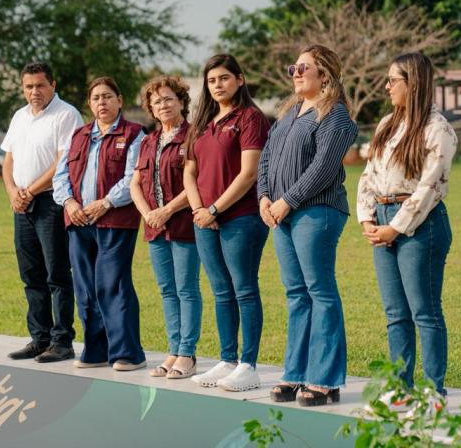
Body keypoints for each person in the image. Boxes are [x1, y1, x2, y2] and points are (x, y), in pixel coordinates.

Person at [257, 45, 357, 407]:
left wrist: (287, 200)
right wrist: (264, 197)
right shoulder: (289, 113)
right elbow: (266, 158)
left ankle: (325, 379)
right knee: (296, 293)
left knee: (320, 292)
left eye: (304, 67)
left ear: (325, 74)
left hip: (316, 212)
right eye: (293, 68)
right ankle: (296, 372)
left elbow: (324, 167)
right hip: (281, 213)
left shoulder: (335, 115)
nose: (296, 73)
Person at [356, 52, 457, 407]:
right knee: (395, 313)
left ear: (412, 83)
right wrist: (368, 219)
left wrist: (395, 228)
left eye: (392, 80)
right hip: (382, 219)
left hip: (420, 224)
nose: (386, 87)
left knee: (424, 312)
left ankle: (433, 392)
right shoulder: (386, 124)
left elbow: (430, 188)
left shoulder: (438, 130)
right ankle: (400, 387)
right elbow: (368, 176)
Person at [184, 53, 270, 392]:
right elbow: (190, 172)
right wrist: (199, 211)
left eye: (224, 78)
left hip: (241, 217)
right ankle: (228, 359)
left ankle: (248, 365)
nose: (217, 85)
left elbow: (249, 173)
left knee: (244, 289)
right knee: (221, 290)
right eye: (211, 80)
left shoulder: (250, 118)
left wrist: (215, 209)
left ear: (240, 79)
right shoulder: (202, 122)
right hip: (204, 219)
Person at [53, 76, 147, 371]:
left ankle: (128, 353)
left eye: (107, 96)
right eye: (96, 98)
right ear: (89, 104)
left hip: (115, 221)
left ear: (120, 100)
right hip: (78, 221)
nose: (101, 102)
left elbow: (133, 177)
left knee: (113, 285)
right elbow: (61, 176)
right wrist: (70, 203)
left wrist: (105, 202)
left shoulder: (134, 134)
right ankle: (96, 351)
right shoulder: (78, 135)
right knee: (85, 288)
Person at [1, 62, 83, 363]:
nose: (34, 91)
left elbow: (62, 163)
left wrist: (30, 191)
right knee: (31, 274)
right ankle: (39, 338)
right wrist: (13, 192)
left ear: (53, 85)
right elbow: (8, 161)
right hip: (21, 204)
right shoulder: (19, 116)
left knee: (56, 274)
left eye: (40, 85)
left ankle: (62, 341)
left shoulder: (66, 115)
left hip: (50, 202)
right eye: (29, 86)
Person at [130, 75, 201, 380]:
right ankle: (173, 350)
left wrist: (167, 210)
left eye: (169, 99)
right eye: (157, 101)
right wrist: (148, 214)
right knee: (167, 290)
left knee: (186, 289)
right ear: (151, 108)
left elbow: (197, 182)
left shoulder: (194, 136)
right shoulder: (148, 141)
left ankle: (187, 353)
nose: (163, 105)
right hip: (155, 228)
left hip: (184, 225)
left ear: (181, 101)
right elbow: (135, 183)